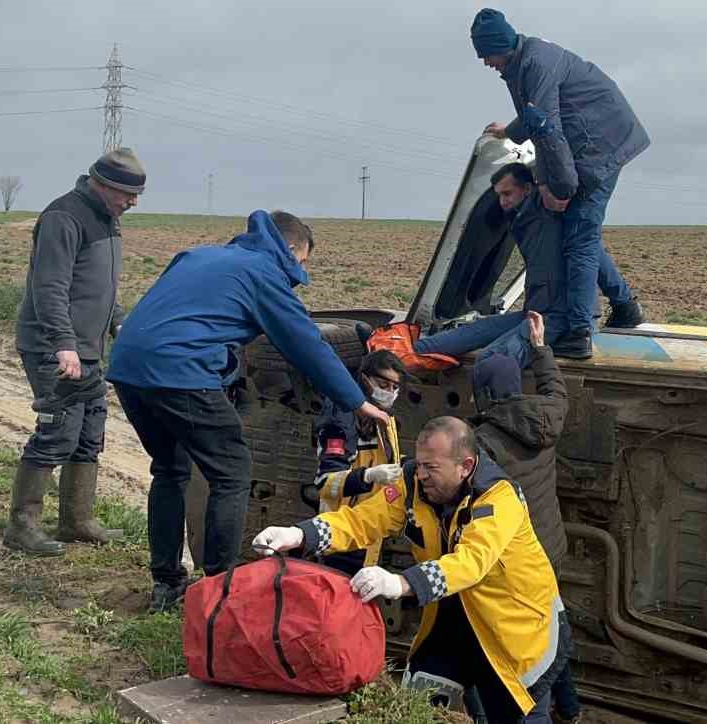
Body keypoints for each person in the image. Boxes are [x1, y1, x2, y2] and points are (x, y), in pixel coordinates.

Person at [106, 209, 391, 612]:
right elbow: (306, 343)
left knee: (169, 470)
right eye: (302, 262)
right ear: (288, 249)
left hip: (128, 368)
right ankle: (218, 591)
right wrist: (358, 401)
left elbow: (185, 315)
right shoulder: (264, 273)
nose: (301, 273)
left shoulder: (199, 256)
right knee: (232, 473)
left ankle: (166, 584)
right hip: (182, 372)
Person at [254, 417, 568, 724]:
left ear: (465, 466)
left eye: (431, 467)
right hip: (452, 617)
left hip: (515, 630)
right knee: (417, 704)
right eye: (419, 464)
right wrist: (298, 534)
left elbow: (471, 562)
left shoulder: (498, 498)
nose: (421, 475)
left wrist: (401, 583)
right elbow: (362, 520)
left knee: (517, 715)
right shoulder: (412, 485)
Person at [471, 8, 651, 358]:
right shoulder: (522, 62)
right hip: (592, 140)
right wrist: (510, 131)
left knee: (579, 238)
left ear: (501, 46)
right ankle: (625, 306)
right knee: (581, 230)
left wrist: (558, 188)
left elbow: (548, 130)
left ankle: (579, 333)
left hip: (601, 145)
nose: (486, 63)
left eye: (487, 55)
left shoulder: (535, 65)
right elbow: (535, 116)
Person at [3, 147, 144, 557]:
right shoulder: (64, 217)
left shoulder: (108, 219)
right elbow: (50, 288)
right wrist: (64, 344)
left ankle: (76, 521)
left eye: (137, 195)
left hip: (88, 348)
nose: (132, 203)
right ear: (103, 185)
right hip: (54, 347)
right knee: (58, 430)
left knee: (89, 432)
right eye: (127, 194)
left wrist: (119, 322)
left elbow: (97, 287)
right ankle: (21, 526)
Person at [469, 311, 582, 724]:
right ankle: (570, 709)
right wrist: (540, 348)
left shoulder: (481, 443)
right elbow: (556, 389)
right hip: (550, 546)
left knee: (519, 650)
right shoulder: (546, 416)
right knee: (552, 629)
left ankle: (535, 710)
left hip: (514, 559)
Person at [413, 156, 570, 367]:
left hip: (556, 318)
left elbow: (595, 264)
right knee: (426, 346)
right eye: (499, 195)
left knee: (490, 362)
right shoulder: (521, 223)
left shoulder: (556, 222)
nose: (502, 201)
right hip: (533, 311)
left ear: (528, 189)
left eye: (507, 193)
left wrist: (585, 322)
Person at [312, 349, 407, 577]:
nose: (389, 392)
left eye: (395, 387)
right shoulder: (340, 422)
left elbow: (389, 460)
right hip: (340, 534)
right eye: (383, 385)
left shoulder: (383, 419)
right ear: (364, 379)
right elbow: (325, 482)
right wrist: (368, 476)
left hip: (371, 530)